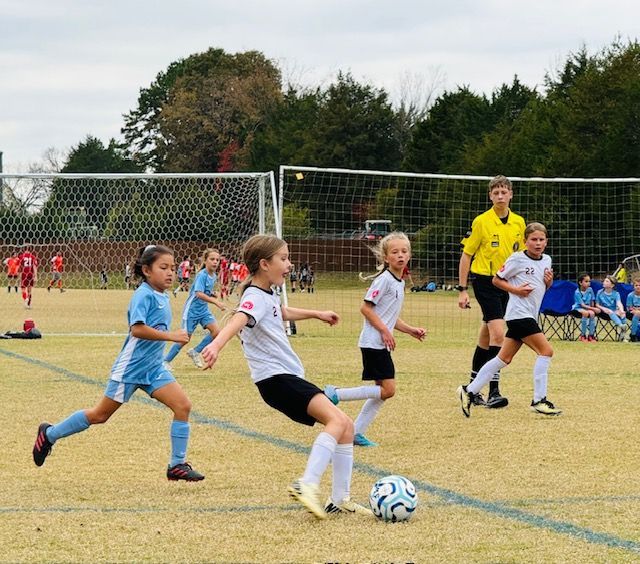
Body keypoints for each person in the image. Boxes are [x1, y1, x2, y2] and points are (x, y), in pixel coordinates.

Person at [201, 235, 370, 519]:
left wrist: (316, 313)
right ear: (265, 264)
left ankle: (340, 499)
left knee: (347, 427)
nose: (289, 265)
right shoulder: (254, 296)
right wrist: (216, 345)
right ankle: (307, 484)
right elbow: (240, 318)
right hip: (277, 379)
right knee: (338, 421)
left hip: (281, 379)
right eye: (284, 259)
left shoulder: (267, 294)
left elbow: (281, 312)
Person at [32, 245, 204, 481]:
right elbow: (137, 329)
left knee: (183, 406)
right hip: (131, 369)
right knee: (99, 415)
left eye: (172, 268)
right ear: (146, 270)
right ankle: (49, 434)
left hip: (153, 369)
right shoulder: (143, 294)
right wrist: (171, 336)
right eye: (163, 268)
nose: (170, 273)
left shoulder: (162, 295)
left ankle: (177, 465)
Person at [323, 232, 426, 447]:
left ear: (409, 255)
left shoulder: (399, 282)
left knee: (381, 393)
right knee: (388, 390)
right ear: (385, 257)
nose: (400, 255)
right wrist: (384, 332)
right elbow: (366, 308)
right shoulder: (385, 280)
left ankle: (356, 433)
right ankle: (336, 393)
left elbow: (388, 316)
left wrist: (410, 330)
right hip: (373, 343)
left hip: (379, 343)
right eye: (395, 252)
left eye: (404, 251)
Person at [457, 222, 562, 417]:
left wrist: (549, 283)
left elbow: (541, 288)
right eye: (533, 240)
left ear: (546, 242)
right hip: (518, 315)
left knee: (503, 359)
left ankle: (468, 390)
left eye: (541, 240)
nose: (537, 243)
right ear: (525, 241)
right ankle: (539, 400)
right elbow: (496, 279)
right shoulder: (516, 259)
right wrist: (516, 290)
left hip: (529, 314)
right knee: (546, 351)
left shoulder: (547, 260)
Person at [457, 175, 526, 408]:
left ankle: (472, 388)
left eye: (503, 192)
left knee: (486, 335)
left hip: (507, 284)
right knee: (499, 335)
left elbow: (523, 257)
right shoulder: (481, 222)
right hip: (486, 282)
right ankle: (494, 391)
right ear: (490, 196)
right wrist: (462, 289)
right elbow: (467, 255)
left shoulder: (518, 222)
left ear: (510, 194)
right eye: (495, 192)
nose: (500, 196)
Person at [165, 248, 227, 369]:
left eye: (217, 260)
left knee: (216, 332)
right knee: (185, 338)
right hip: (192, 310)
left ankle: (195, 352)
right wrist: (215, 301)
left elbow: (205, 292)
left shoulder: (213, 275)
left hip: (203, 310)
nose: (215, 262)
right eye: (212, 259)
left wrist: (212, 293)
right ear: (205, 260)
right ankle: (165, 361)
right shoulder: (202, 275)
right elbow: (198, 293)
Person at [596, 275, 629, 341]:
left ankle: (623, 336)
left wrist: (621, 310)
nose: (604, 282)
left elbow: (619, 303)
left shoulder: (616, 294)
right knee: (609, 311)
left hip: (613, 311)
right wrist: (603, 308)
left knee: (622, 313)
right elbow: (597, 304)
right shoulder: (600, 292)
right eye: (604, 281)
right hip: (603, 312)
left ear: (612, 285)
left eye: (607, 281)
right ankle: (621, 325)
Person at [570, 274, 600, 342]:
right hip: (578, 308)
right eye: (586, 281)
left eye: (589, 281)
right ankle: (582, 335)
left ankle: (591, 335)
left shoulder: (590, 290)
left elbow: (592, 300)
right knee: (586, 313)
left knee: (592, 314)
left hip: (588, 308)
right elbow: (582, 305)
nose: (588, 283)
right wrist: (594, 309)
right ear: (580, 283)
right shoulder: (577, 292)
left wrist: (592, 308)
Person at [626, 277, 640, 342]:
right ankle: (633, 335)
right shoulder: (630, 295)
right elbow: (629, 307)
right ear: (633, 287)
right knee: (637, 313)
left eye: (639, 285)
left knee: (638, 313)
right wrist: (635, 310)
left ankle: (634, 334)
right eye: (636, 285)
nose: (638, 287)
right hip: (631, 313)